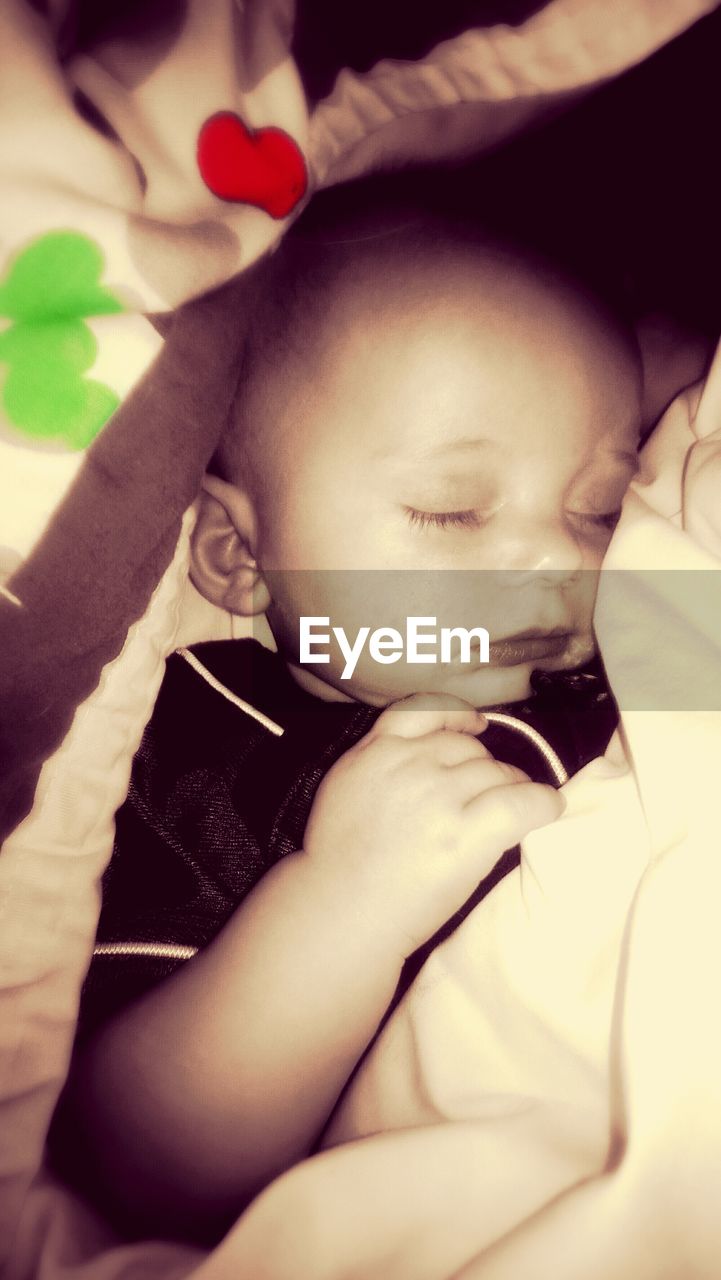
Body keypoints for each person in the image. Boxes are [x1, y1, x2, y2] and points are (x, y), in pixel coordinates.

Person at [56, 199, 641, 1244]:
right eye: (452, 508)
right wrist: (345, 902)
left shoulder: (617, 672)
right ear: (242, 556)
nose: (561, 561)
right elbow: (134, 1170)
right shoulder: (200, 749)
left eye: (596, 507)